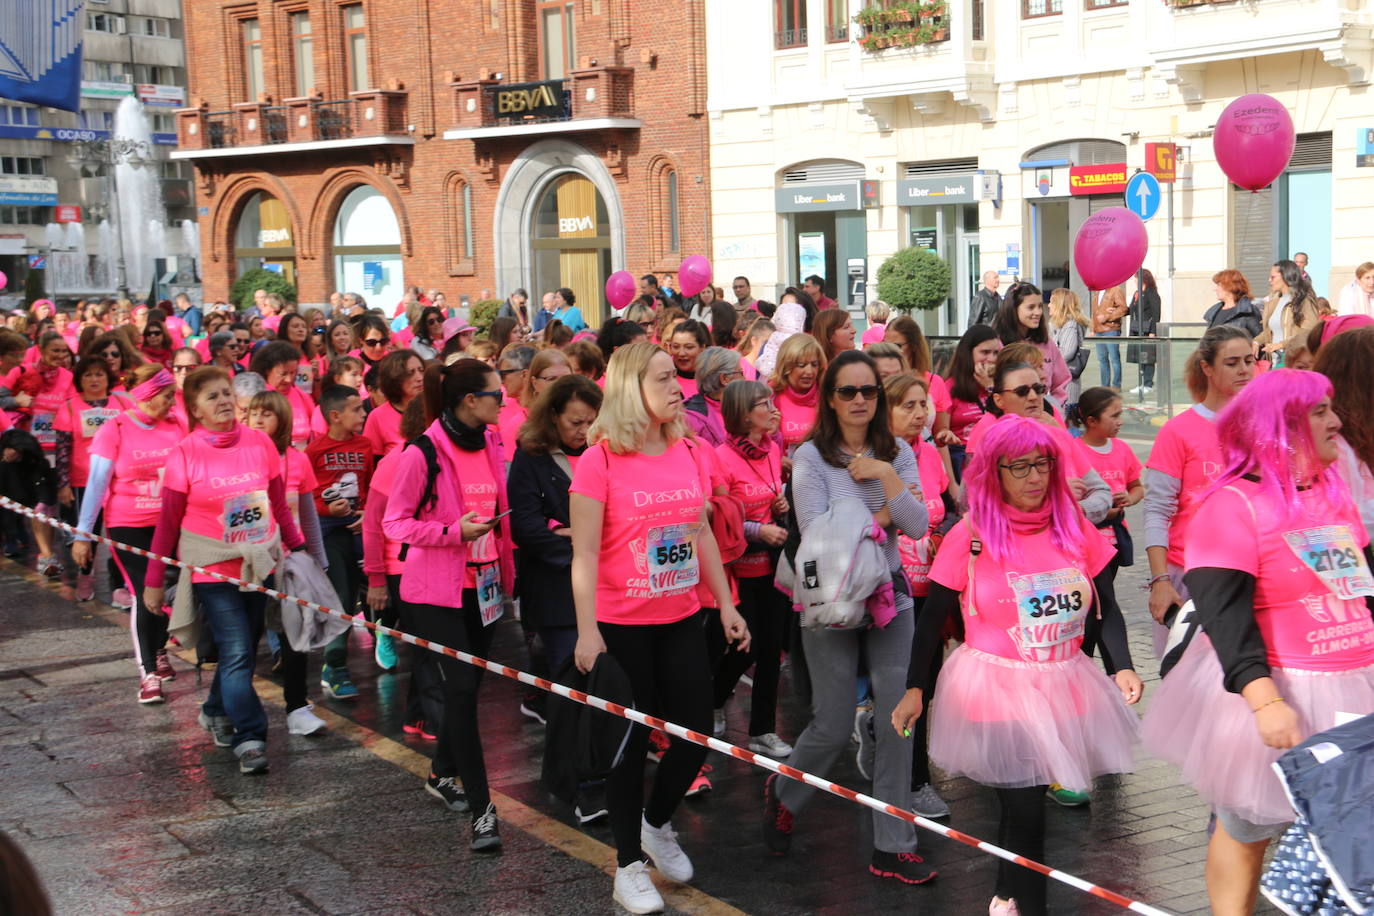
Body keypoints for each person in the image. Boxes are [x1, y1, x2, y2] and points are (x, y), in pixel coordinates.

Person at [1142, 369, 1374, 915]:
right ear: (1279, 426)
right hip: (1283, 688)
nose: (1335, 422)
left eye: (1330, 409)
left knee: (1348, 829)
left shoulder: (1332, 495)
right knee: (1248, 825)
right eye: (1319, 412)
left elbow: (1361, 590)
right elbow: (1225, 617)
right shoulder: (1232, 506)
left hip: (1355, 686)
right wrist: (1264, 699)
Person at [896, 416, 1142, 916]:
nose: (1035, 477)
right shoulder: (972, 534)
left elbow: (1106, 604)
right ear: (994, 472)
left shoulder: (1073, 526)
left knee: (1022, 811)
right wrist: (914, 690)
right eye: (1020, 467)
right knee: (1028, 812)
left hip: (1063, 680)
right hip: (996, 685)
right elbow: (930, 623)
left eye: (1043, 465)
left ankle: (1005, 896)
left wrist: (1123, 667)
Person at [570, 341, 749, 914]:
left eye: (679, 377)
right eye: (666, 378)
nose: (680, 387)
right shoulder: (598, 460)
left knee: (696, 733)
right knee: (626, 748)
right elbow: (585, 557)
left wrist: (724, 603)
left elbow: (700, 535)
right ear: (632, 388)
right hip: (620, 624)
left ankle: (655, 824)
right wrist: (586, 632)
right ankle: (626, 866)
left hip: (680, 617)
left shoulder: (690, 451)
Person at [762, 350, 934, 885]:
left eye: (869, 391)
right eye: (847, 391)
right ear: (829, 399)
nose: (860, 400)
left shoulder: (898, 453)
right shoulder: (811, 457)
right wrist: (881, 513)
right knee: (833, 725)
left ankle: (893, 844)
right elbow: (817, 531)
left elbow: (921, 523)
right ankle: (786, 792)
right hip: (830, 602)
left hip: (890, 601)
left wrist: (884, 473)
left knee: (895, 722)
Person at [143, 367, 305, 774]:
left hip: (259, 562)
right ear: (195, 409)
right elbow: (168, 521)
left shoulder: (259, 442)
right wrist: (152, 582)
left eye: (226, 393)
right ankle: (249, 736)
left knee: (245, 652)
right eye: (212, 397)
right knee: (235, 653)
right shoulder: (185, 452)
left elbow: (278, 503)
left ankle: (215, 708)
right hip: (213, 568)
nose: (223, 402)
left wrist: (299, 549)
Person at [383, 359, 514, 852]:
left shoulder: (492, 441)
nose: (503, 401)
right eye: (496, 395)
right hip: (434, 592)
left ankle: (441, 772)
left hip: (482, 587)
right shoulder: (422, 451)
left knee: (467, 693)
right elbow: (394, 524)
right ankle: (483, 811)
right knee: (459, 691)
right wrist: (450, 532)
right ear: (469, 401)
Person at [70, 365, 181, 700]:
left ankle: (160, 648)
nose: (171, 402)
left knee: (166, 589)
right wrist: (83, 534)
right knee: (144, 593)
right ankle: (148, 673)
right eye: (165, 396)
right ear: (146, 396)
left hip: (170, 523)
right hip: (127, 525)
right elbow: (96, 484)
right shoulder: (114, 428)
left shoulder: (177, 424)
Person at [1143, 326, 1255, 655]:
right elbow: (1157, 511)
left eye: (1249, 360)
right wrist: (1160, 580)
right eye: (1232, 362)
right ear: (1206, 367)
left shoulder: (1262, 425)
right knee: (1186, 682)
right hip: (1188, 577)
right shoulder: (1178, 431)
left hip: (1251, 576)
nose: (1244, 369)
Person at [883, 373, 957, 819]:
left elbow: (947, 508)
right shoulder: (875, 458)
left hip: (932, 585)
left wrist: (942, 533)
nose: (919, 413)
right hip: (891, 589)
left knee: (925, 681)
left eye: (922, 404)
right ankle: (913, 782)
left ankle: (903, 757)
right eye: (907, 405)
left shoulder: (929, 453)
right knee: (908, 684)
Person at [711, 378, 793, 758]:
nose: (774, 410)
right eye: (764, 404)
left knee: (772, 647)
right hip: (737, 569)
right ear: (744, 415)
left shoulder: (772, 449)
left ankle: (762, 730)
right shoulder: (720, 457)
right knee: (746, 648)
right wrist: (759, 529)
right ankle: (714, 699)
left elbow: (770, 496)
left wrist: (779, 508)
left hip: (773, 567)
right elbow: (718, 520)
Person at [245, 390, 330, 737]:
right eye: (253, 413)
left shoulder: (297, 460)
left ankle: (297, 706)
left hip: (289, 559)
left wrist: (318, 562)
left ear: (282, 420)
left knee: (298, 635)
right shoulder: (239, 457)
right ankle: (232, 705)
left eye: (267, 413)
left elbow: (308, 517)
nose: (258, 419)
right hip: (248, 562)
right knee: (246, 638)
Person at [307, 385, 378, 694]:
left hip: (362, 529)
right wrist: (326, 508)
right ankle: (335, 666)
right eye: (357, 409)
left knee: (378, 590)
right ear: (334, 416)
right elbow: (306, 496)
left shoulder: (365, 445)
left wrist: (368, 514)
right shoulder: (315, 450)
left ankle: (385, 639)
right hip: (330, 532)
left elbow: (373, 487)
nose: (363, 414)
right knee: (343, 596)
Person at [1071, 386, 1144, 667]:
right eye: (1113, 415)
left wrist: (1130, 498)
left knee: (1102, 601)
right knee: (1096, 604)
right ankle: (1103, 663)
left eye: (1120, 413)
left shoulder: (1123, 450)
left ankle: (1107, 665)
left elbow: (1137, 487)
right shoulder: (1075, 450)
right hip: (1085, 538)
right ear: (1091, 421)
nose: (1120, 420)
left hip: (1114, 540)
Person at [53, 356, 131, 599]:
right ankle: (85, 576)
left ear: (108, 378)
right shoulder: (69, 407)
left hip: (119, 480)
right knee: (87, 534)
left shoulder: (121, 402)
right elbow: (62, 449)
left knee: (120, 535)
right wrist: (63, 484)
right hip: (83, 481)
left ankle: (121, 584)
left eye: (99, 374)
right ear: (79, 380)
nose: (94, 379)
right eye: (88, 375)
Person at [991, 283, 1070, 403]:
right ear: (1014, 308)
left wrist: (1054, 408)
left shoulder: (1047, 342)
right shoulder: (997, 344)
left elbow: (1062, 381)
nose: (1038, 312)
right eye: (1031, 307)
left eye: (1039, 306)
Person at [943, 325, 1002, 482]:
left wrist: (991, 387)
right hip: (964, 467)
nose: (991, 359)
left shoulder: (1001, 386)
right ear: (968, 354)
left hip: (996, 462)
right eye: (985, 352)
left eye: (995, 353)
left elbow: (1007, 420)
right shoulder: (950, 387)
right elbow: (942, 436)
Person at [248, 341, 314, 450]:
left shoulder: (302, 396)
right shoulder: (256, 396)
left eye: (292, 373)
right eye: (283, 374)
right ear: (267, 370)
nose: (288, 379)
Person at [769, 333, 826, 455]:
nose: (809, 371)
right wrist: (779, 460)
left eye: (814, 364)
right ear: (786, 366)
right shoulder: (770, 396)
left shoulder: (827, 395)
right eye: (801, 365)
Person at [362, 350, 426, 458]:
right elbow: (372, 461)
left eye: (421, 370)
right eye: (410, 373)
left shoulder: (435, 408)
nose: (420, 378)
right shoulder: (377, 417)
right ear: (394, 378)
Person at [1256, 259, 1321, 359]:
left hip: (1294, 360)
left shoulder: (1304, 300)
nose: (1269, 280)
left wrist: (1281, 345)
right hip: (1275, 362)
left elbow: (1309, 332)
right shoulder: (1274, 301)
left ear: (1285, 277)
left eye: (1273, 277)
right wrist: (1256, 341)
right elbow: (1271, 331)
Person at [684, 347, 743, 447]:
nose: (745, 379)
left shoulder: (741, 405)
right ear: (725, 379)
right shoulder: (693, 417)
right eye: (740, 373)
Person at [1047, 289, 1089, 409]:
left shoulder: (1070, 324)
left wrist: (1048, 359)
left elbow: (1067, 352)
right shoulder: (1058, 324)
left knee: (1066, 416)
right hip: (1061, 379)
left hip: (1067, 381)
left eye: (1051, 302)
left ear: (1060, 304)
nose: (1049, 305)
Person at [495, 345, 536, 462]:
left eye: (504, 374)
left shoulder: (544, 410)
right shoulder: (500, 405)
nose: (501, 381)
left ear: (524, 375)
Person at [1126, 269, 1161, 395]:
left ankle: (1148, 384)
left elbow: (1156, 314)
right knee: (1140, 358)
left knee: (1148, 358)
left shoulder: (1151, 293)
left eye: (1136, 278)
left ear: (1143, 279)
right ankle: (1141, 384)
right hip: (1136, 330)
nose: (1134, 280)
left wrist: (1153, 332)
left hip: (1147, 331)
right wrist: (1116, 311)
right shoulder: (1137, 293)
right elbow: (1130, 310)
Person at [1203, 269, 1263, 339]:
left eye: (1218, 285)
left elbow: (1258, 339)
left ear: (1230, 286)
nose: (1215, 289)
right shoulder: (1214, 312)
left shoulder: (1247, 310)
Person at [1090, 284, 1127, 390]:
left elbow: (1123, 308)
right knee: (1102, 359)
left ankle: (1116, 385)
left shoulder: (1115, 289)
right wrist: (1093, 329)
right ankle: (1105, 385)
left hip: (1111, 329)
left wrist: (1107, 316)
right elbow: (1094, 313)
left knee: (1114, 358)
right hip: (1099, 330)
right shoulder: (1097, 291)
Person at [666, 319, 710, 399]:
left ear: (702, 348)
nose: (681, 353)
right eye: (676, 347)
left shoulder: (714, 378)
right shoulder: (663, 375)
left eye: (689, 347)